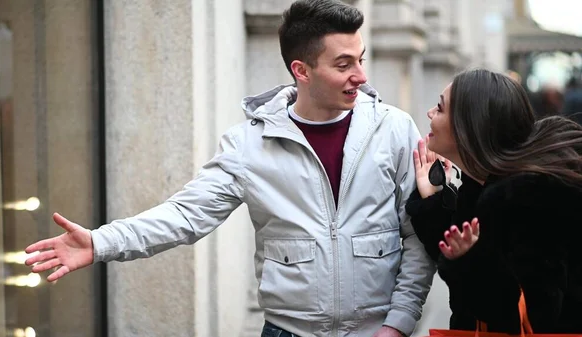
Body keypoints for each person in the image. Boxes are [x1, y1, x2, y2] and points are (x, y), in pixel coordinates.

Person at [24, 1, 435, 336]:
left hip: (378, 332)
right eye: (344, 64)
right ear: (302, 70)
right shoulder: (249, 145)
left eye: (360, 60)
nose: (360, 76)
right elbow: (185, 215)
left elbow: (417, 234)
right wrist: (101, 242)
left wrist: (398, 324)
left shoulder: (394, 129)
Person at [406, 68, 582, 333]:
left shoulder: (525, 197)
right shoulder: (479, 187)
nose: (430, 113)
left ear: (467, 126)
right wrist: (431, 202)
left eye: (440, 108)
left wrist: (468, 262)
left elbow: (531, 313)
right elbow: (457, 250)